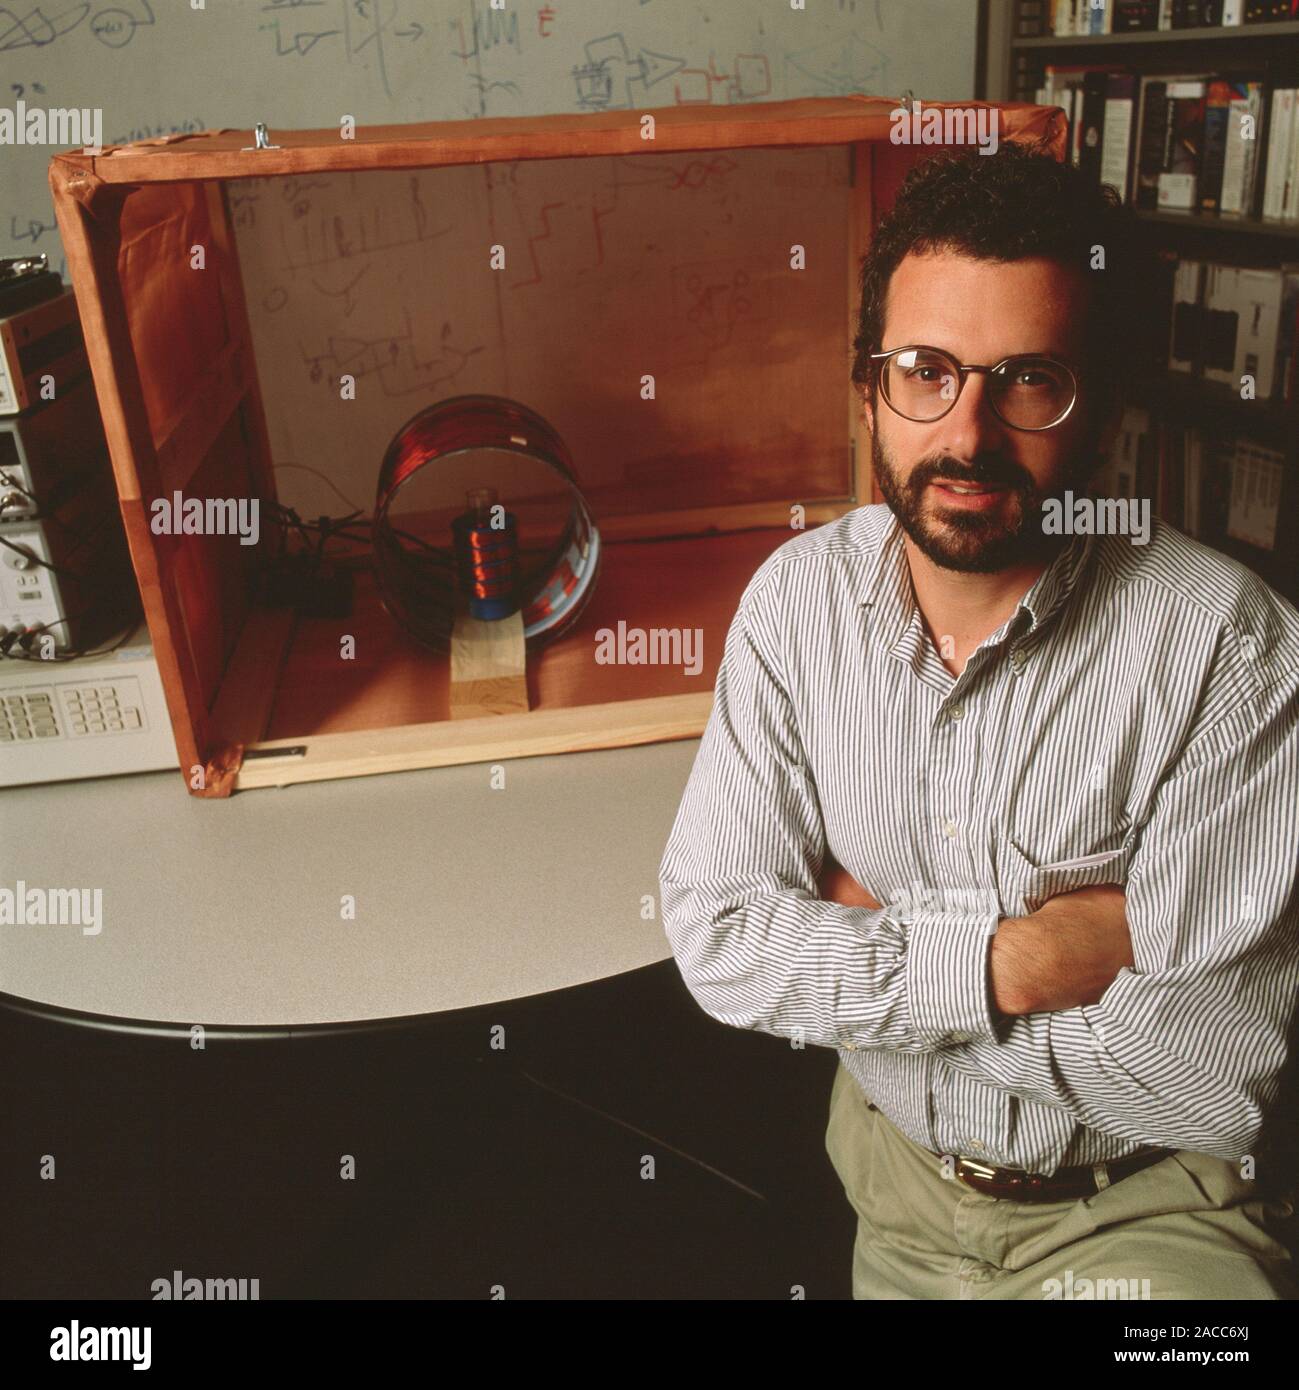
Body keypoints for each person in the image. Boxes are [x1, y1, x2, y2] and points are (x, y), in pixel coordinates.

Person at [657, 140, 1299, 1300]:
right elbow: (718, 936)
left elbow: (1204, 1076)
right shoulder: (798, 604)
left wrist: (867, 948)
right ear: (868, 389)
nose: (967, 434)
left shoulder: (1230, 647)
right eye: (925, 371)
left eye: (1029, 380)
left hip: (1146, 1215)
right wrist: (1024, 959)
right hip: (894, 1192)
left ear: (1101, 407)